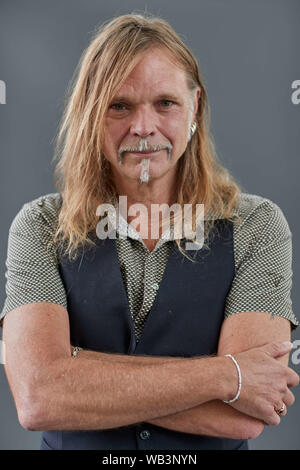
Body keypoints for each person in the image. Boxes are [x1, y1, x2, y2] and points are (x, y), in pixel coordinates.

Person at [1, 13, 299, 451]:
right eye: (119, 105)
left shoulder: (257, 226)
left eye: (165, 103)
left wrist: (78, 375)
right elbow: (39, 398)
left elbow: (243, 416)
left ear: (194, 107)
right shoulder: (40, 226)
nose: (143, 127)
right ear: (92, 113)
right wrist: (227, 375)